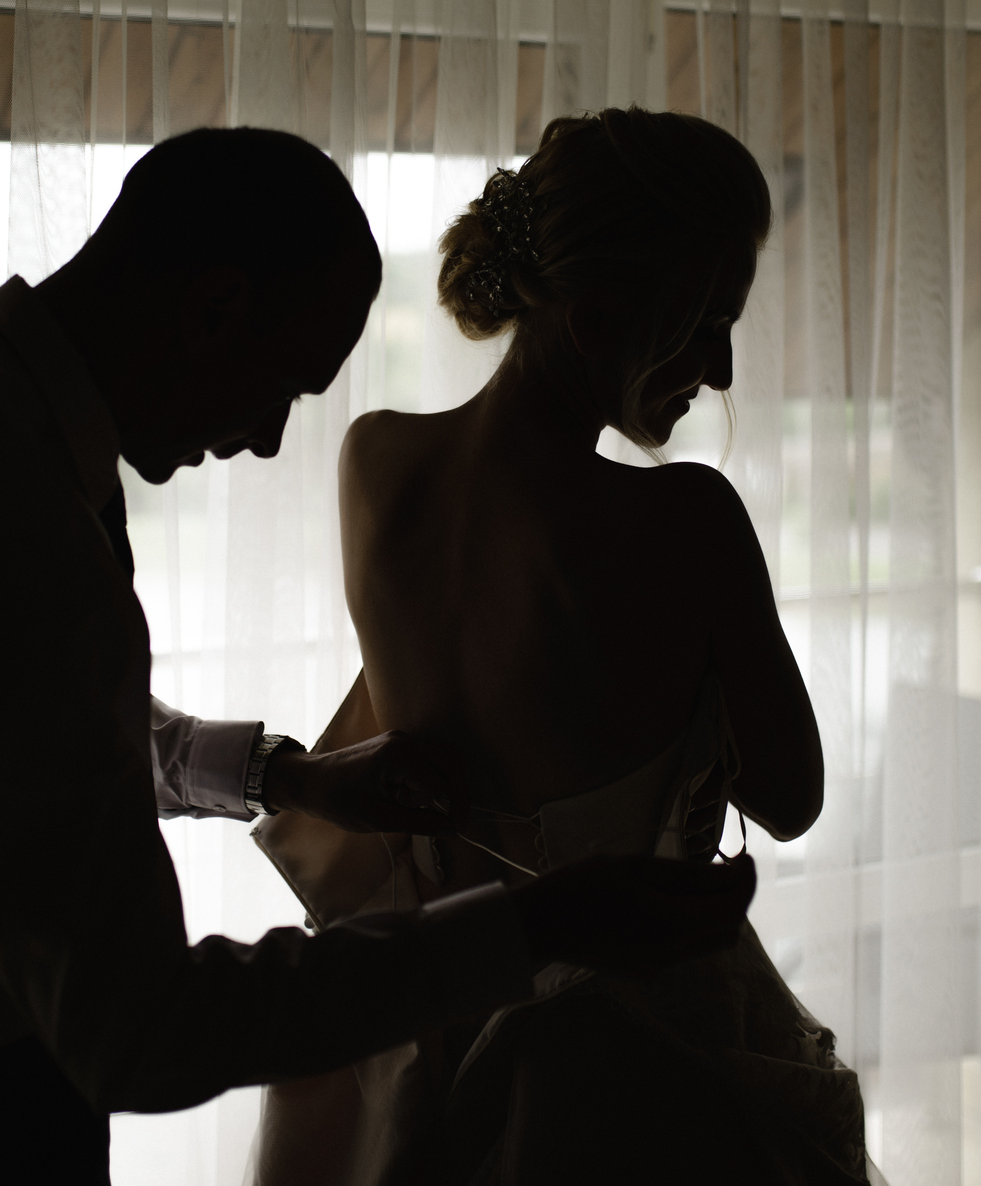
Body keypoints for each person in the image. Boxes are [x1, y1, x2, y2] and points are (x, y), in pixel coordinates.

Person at [0, 126, 756, 1184]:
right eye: (286, 388)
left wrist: (282, 775)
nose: (266, 439)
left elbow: (5, 738)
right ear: (215, 309)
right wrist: (532, 924)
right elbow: (143, 1027)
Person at [251, 110, 879, 1185]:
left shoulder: (375, 461)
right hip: (638, 1067)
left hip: (435, 1026)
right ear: (594, 323)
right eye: (702, 323)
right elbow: (791, 794)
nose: (721, 366)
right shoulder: (688, 522)